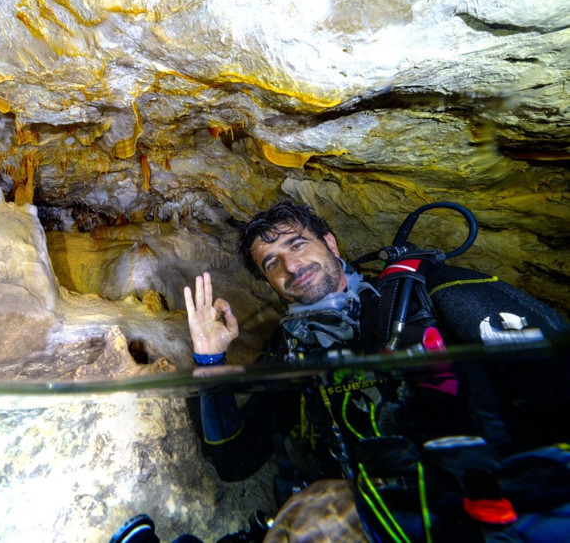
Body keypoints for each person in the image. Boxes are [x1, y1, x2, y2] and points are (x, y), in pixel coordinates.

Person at [184, 200, 570, 542]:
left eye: (297, 244)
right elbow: (235, 460)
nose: (291, 265)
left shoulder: (428, 295)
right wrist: (210, 359)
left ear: (331, 243)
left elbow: (554, 389)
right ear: (269, 282)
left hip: (499, 509)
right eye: (272, 263)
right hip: (375, 522)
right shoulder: (291, 352)